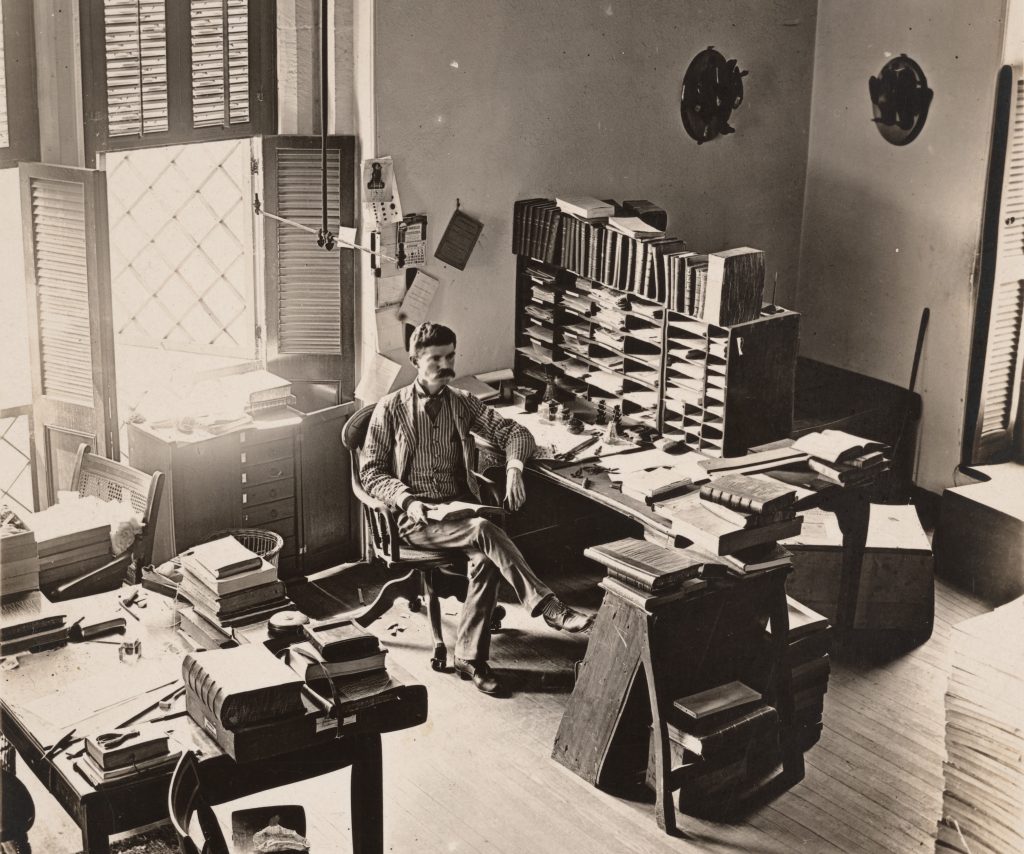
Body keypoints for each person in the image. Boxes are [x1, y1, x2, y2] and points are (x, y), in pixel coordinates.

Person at [360, 322, 593, 695]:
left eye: (450, 356)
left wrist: (515, 470)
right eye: (435, 358)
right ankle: (549, 606)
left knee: (485, 556)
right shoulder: (390, 409)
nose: (444, 364)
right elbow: (371, 472)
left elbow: (517, 433)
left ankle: (470, 658)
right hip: (413, 519)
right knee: (485, 531)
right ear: (415, 360)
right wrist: (406, 499)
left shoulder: (462, 402)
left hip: (456, 512)